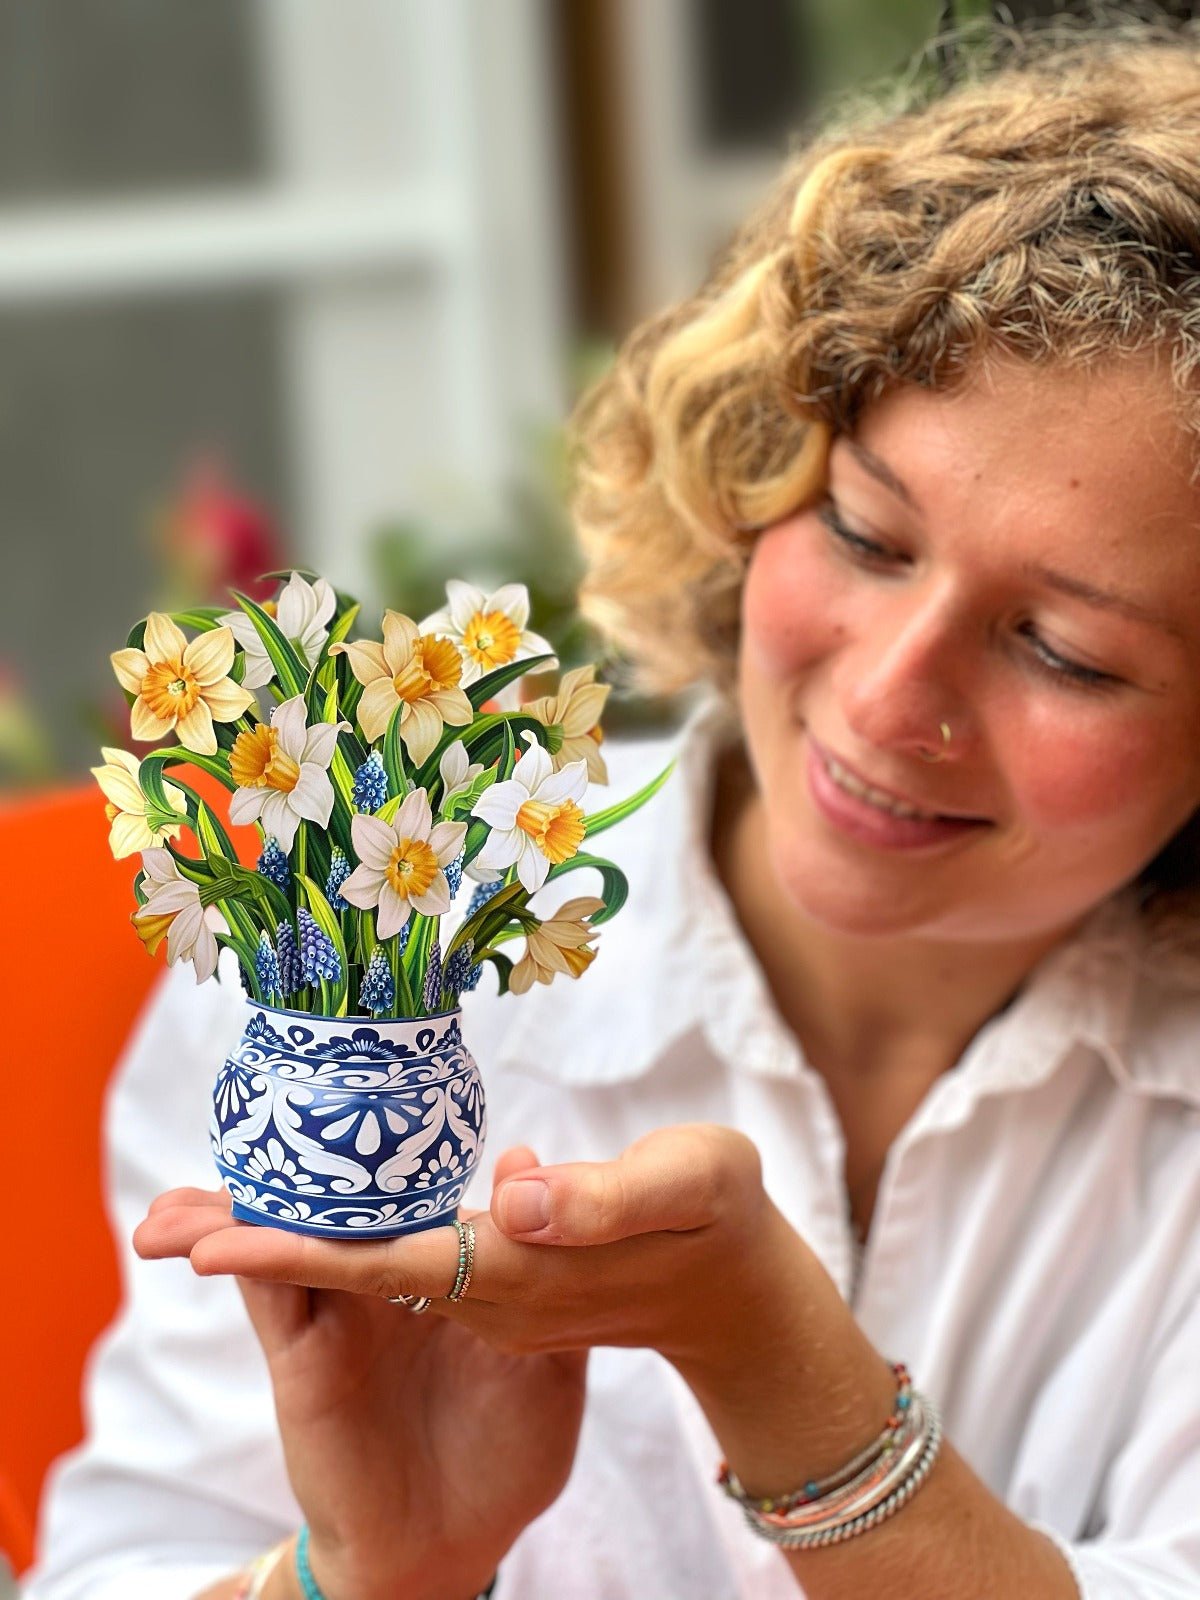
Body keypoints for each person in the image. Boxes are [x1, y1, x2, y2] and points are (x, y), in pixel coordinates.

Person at [26, 16, 1200, 1599]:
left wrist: (784, 1371)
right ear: (765, 469)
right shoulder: (356, 939)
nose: (882, 699)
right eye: (863, 534)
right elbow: (126, 1563)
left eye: (1064, 648)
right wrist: (367, 1570)